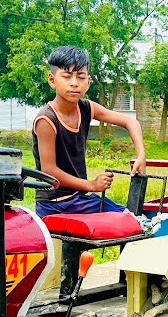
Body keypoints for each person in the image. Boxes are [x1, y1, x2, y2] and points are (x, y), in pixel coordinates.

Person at [31, 46, 147, 216]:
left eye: (81, 77)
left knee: (130, 218)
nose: (74, 82)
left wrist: (141, 155)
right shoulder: (47, 119)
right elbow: (49, 171)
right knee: (129, 219)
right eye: (66, 76)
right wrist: (92, 185)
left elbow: (130, 121)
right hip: (55, 204)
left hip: (79, 199)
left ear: (88, 81)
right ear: (52, 79)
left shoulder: (86, 107)